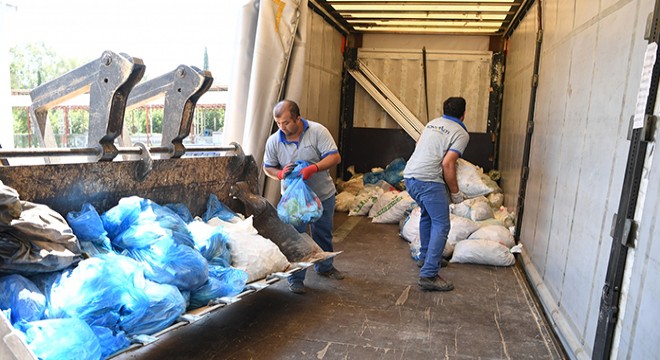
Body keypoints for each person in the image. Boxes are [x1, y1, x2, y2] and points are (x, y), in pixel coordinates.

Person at [263, 99, 344, 294]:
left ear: (298, 118)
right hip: (293, 201)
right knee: (295, 237)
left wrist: (314, 168)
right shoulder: (274, 140)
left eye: (286, 122)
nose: (282, 127)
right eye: (278, 123)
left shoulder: (317, 132)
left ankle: (325, 267)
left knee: (322, 232)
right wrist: (280, 174)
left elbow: (335, 157)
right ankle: (296, 278)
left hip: (322, 194)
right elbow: (267, 167)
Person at [403, 97, 470, 292]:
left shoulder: (432, 123)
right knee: (442, 224)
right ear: (464, 114)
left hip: (410, 177)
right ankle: (429, 275)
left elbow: (418, 144)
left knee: (428, 215)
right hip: (428, 181)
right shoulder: (461, 132)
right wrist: (456, 193)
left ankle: (425, 258)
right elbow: (447, 164)